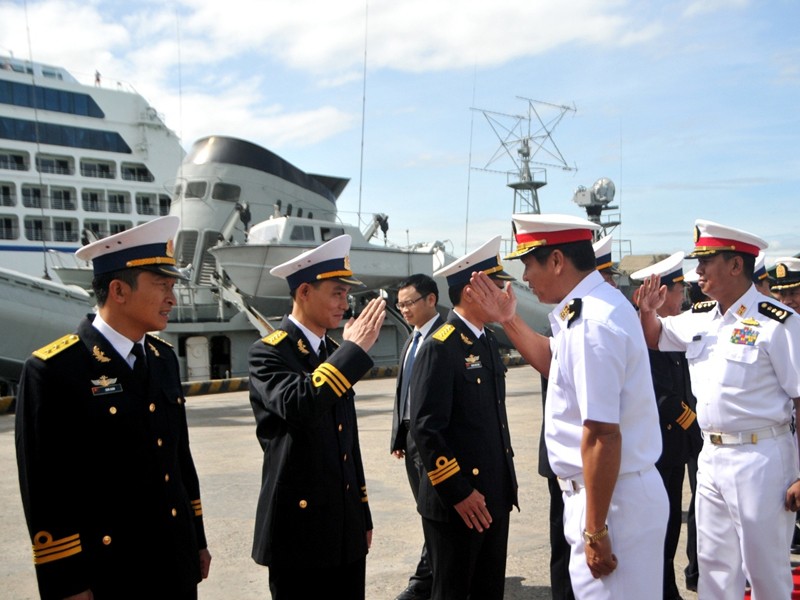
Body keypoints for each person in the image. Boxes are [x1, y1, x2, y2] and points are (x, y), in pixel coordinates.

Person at [467, 213, 668, 599]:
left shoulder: (592, 323)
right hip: (610, 497)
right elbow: (551, 360)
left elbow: (603, 435)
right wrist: (508, 320)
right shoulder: (592, 308)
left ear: (557, 261)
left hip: (612, 504)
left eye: (528, 263)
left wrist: (595, 529)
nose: (524, 277)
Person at [15, 215, 212, 600]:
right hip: (111, 574)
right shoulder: (54, 370)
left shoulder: (162, 358)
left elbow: (179, 460)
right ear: (119, 290)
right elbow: (45, 491)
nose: (172, 298)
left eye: (172, 286)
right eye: (161, 286)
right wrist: (67, 583)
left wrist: (196, 539)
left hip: (174, 564)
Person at [637, 219, 800, 600]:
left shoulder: (779, 323)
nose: (698, 271)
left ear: (735, 265)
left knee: (765, 572)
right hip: (710, 455)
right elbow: (655, 337)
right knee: (713, 568)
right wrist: (647, 311)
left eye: (706, 261)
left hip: (761, 456)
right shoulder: (701, 316)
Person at [247, 234, 386, 600]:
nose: (345, 303)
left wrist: (362, 514)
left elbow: (347, 446)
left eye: (346, 294)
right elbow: (300, 404)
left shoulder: (335, 352)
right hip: (299, 530)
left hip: (344, 527)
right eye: (337, 292)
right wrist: (353, 351)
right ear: (304, 292)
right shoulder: (269, 352)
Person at [409, 235, 519, 600]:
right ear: (472, 291)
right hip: (458, 503)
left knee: (488, 592)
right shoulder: (440, 346)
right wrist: (459, 492)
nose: (505, 293)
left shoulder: (486, 340)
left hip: (492, 497)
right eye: (498, 285)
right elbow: (426, 429)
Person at [631, 252, 702, 600]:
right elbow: (664, 397)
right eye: (678, 290)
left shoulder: (674, 328)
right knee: (657, 527)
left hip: (674, 450)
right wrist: (696, 426)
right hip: (656, 449)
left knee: (671, 523)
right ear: (661, 293)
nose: (682, 297)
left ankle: (665, 587)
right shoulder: (648, 335)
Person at [390, 273, 444, 600]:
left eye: (410, 303)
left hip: (434, 440)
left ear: (431, 300)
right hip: (411, 439)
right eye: (400, 305)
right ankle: (433, 572)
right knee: (425, 511)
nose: (405, 310)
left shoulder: (445, 338)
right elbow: (403, 392)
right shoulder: (412, 339)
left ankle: (425, 581)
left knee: (435, 510)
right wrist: (398, 435)